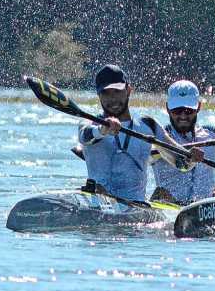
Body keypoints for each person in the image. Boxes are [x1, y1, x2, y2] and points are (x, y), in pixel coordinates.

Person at [77, 64, 200, 202]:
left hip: (137, 211)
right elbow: (85, 136)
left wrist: (191, 158)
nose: (112, 99)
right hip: (99, 204)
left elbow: (182, 165)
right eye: (106, 93)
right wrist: (103, 130)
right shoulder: (90, 123)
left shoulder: (148, 125)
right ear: (98, 95)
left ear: (129, 90)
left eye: (117, 91)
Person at [150, 80, 215, 204]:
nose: (183, 116)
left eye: (189, 110)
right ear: (168, 108)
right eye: (177, 111)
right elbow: (142, 159)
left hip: (206, 209)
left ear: (198, 107)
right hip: (169, 209)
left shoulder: (212, 135)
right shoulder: (158, 139)